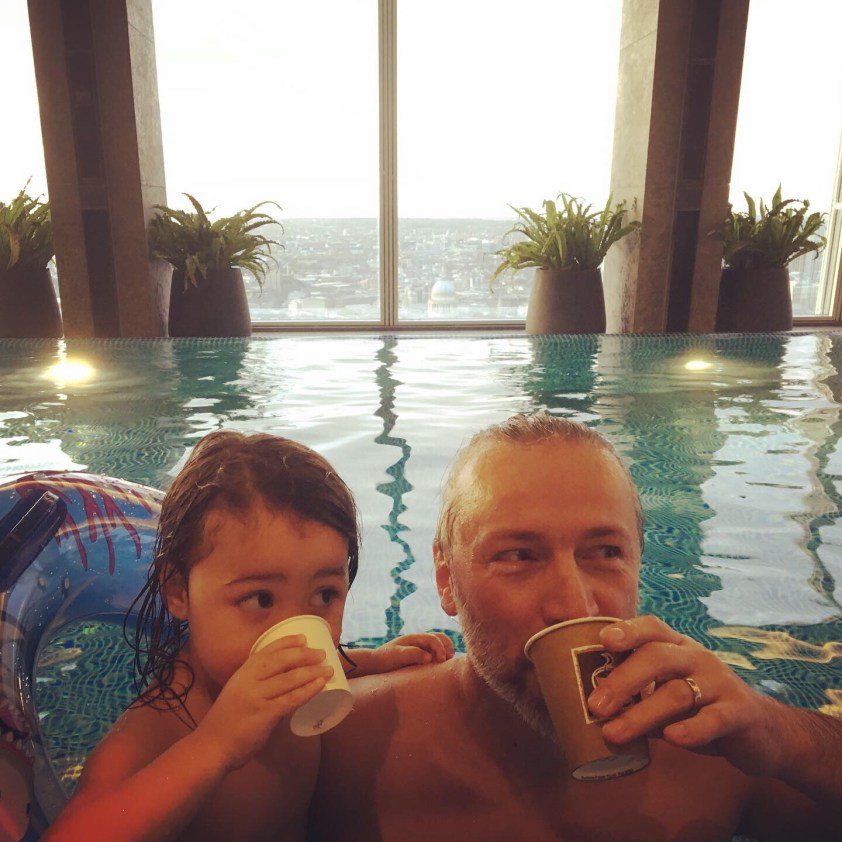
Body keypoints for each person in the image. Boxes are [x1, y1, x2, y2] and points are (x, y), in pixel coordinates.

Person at [311, 412, 841, 841]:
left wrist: (787, 734)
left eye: (605, 552)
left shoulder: (717, 749)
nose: (574, 605)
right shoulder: (340, 745)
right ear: (447, 580)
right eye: (518, 555)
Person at [43, 430, 453, 842]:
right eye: (261, 599)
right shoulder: (160, 726)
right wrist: (215, 744)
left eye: (324, 595)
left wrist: (377, 660)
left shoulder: (294, 680)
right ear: (178, 591)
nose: (294, 634)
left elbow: (312, 667)